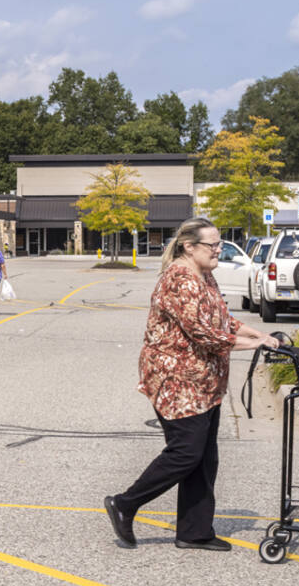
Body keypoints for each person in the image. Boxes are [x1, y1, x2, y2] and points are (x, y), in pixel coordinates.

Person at [104, 216, 280, 552]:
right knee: (186, 453)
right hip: (176, 379)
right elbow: (203, 333)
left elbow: (222, 320)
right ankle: (125, 503)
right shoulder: (180, 279)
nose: (218, 250)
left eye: (219, 244)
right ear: (189, 246)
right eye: (212, 245)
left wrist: (260, 334)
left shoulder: (204, 275)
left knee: (204, 458)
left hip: (204, 381)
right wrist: (254, 344)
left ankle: (194, 531)